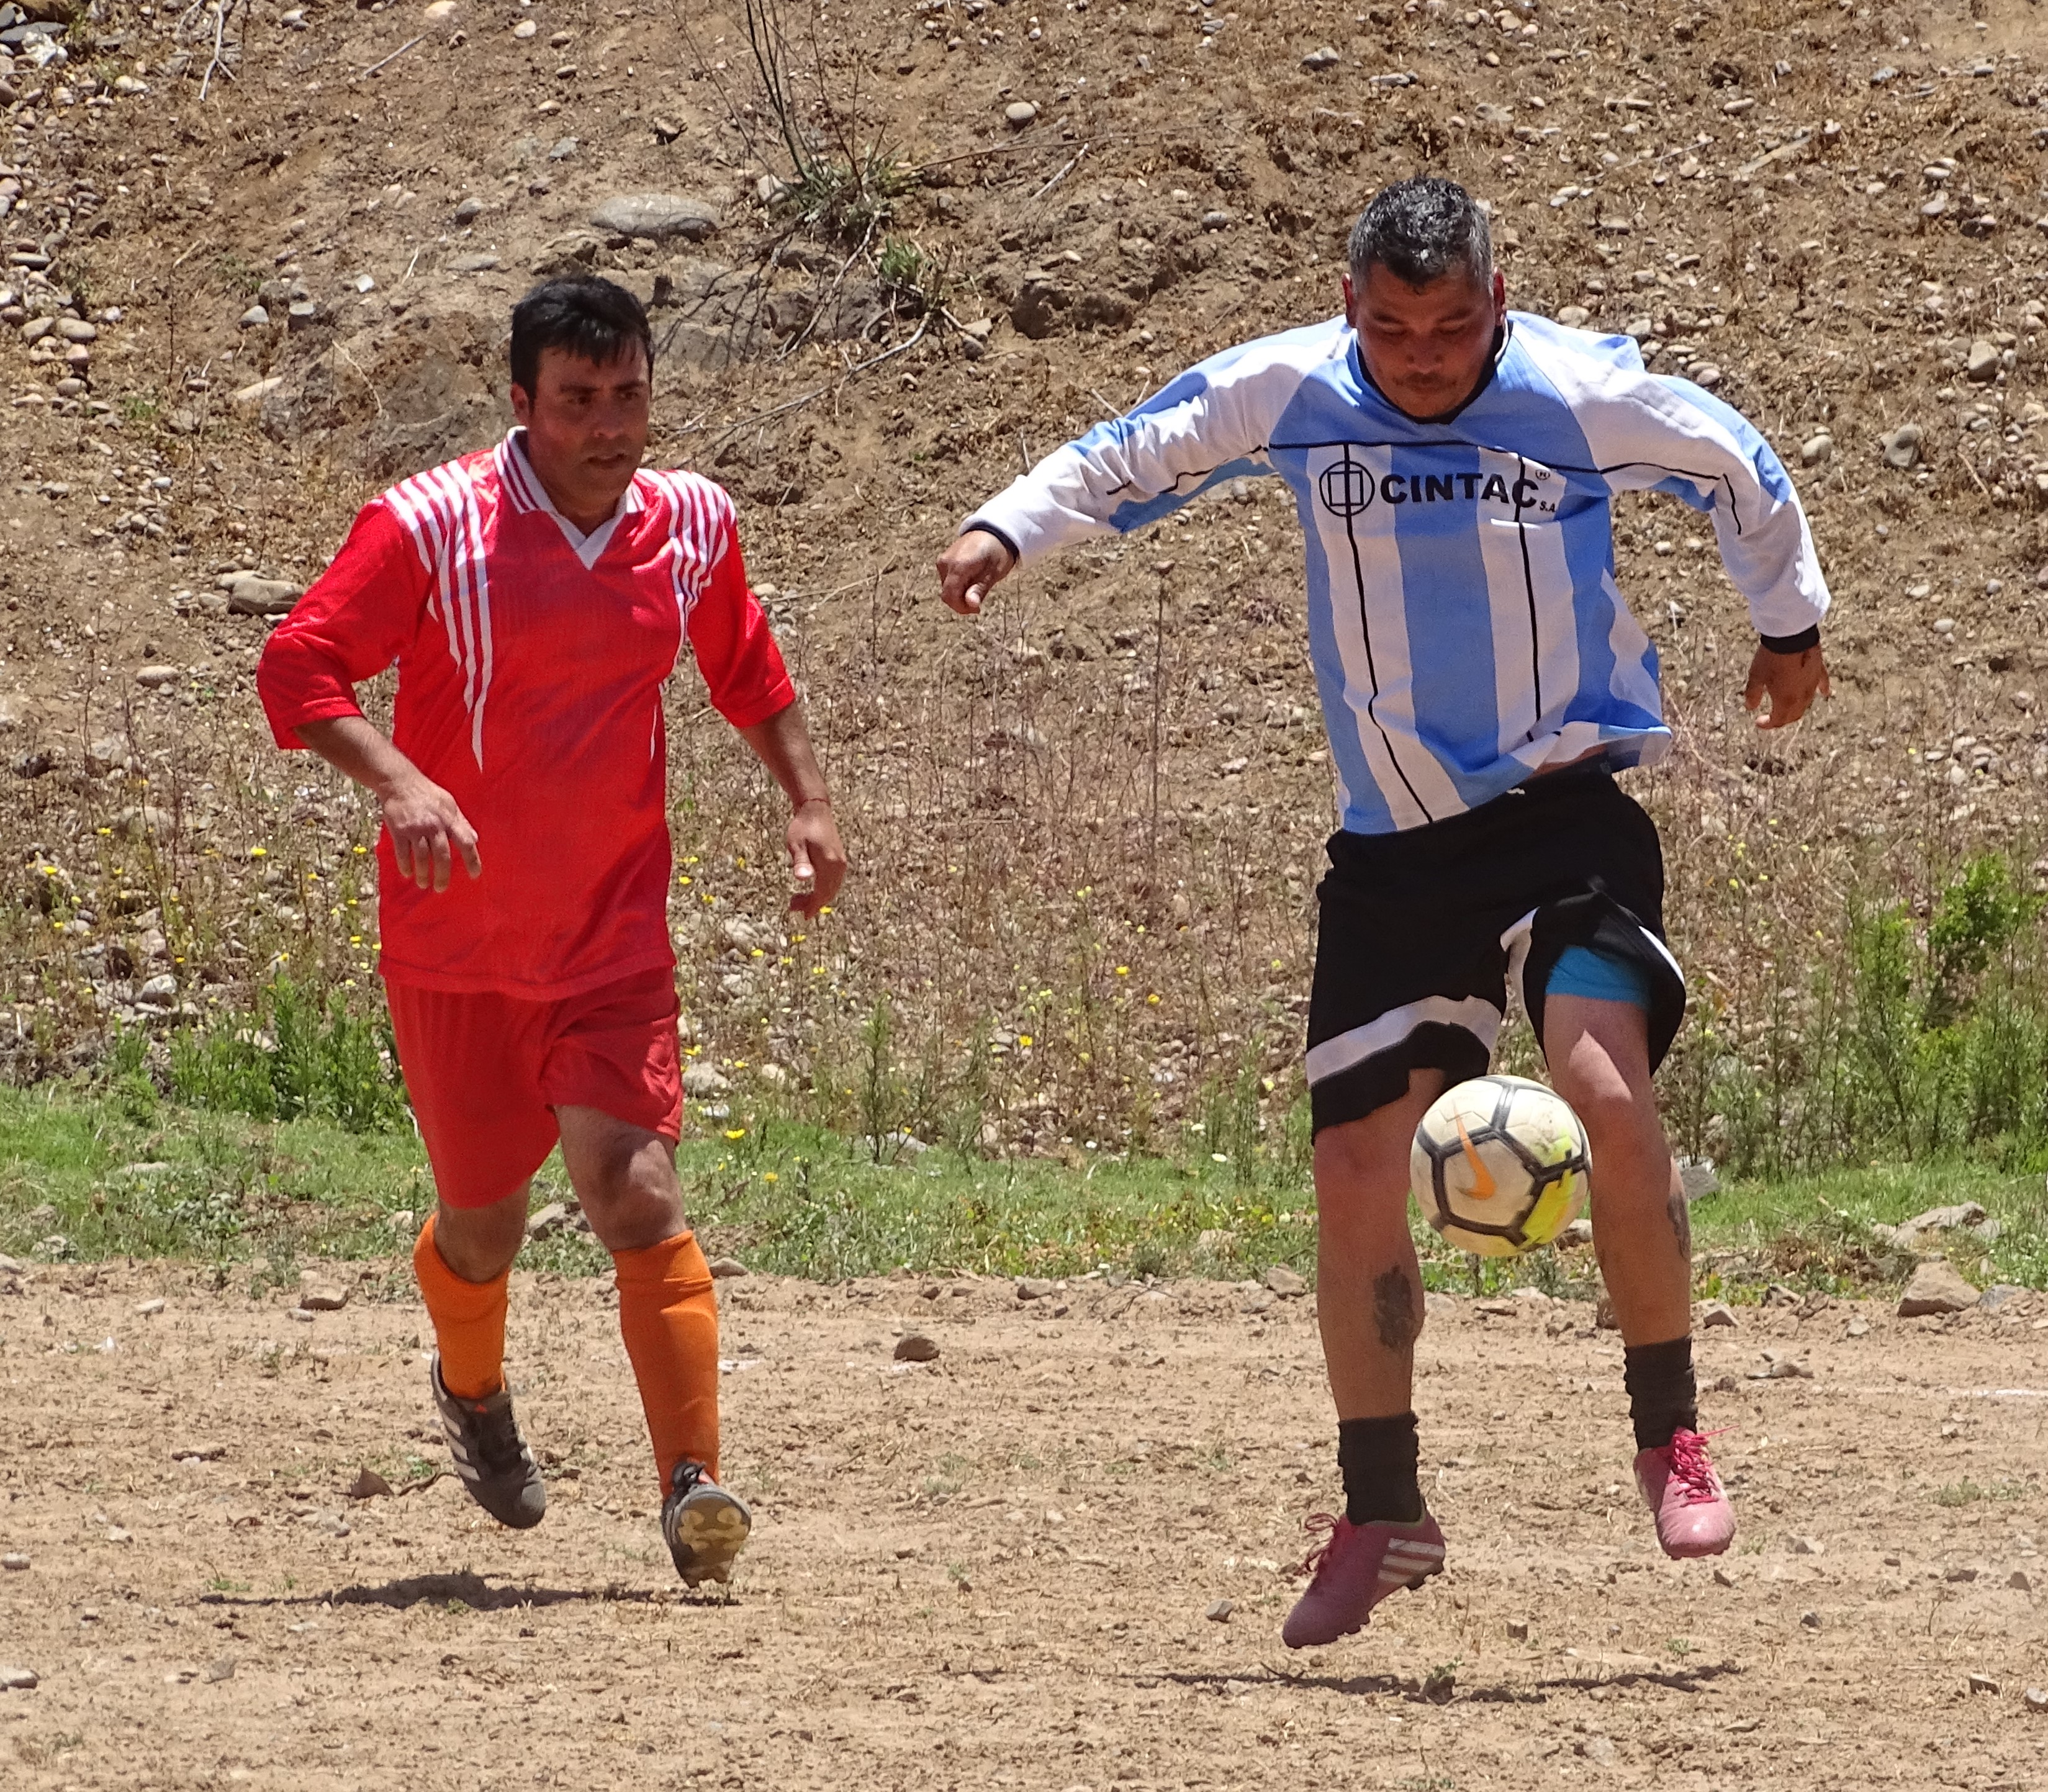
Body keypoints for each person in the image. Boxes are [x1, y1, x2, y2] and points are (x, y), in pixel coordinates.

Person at [936, 177, 1829, 1647]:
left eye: (1455, 327)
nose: (1424, 357)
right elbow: (1137, 449)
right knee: (1353, 1164)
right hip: (1396, 846)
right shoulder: (1292, 390)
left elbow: (1736, 462)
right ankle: (1382, 1508)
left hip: (1566, 809)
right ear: (1351, 306)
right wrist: (1006, 533)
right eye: (1397, 327)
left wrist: (1788, 620)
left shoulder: (1582, 394)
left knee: (1602, 1079)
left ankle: (1668, 1428)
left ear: (1501, 301)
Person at [258, 276, 845, 1588]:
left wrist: (808, 802)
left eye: (629, 395)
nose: (610, 426)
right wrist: (400, 781)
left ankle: (694, 1485)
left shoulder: (690, 523)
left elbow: (743, 665)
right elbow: (297, 666)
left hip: (611, 939)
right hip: (456, 951)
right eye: (578, 401)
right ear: (521, 404)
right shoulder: (429, 526)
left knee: (635, 1193)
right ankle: (471, 1386)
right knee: (485, 1227)